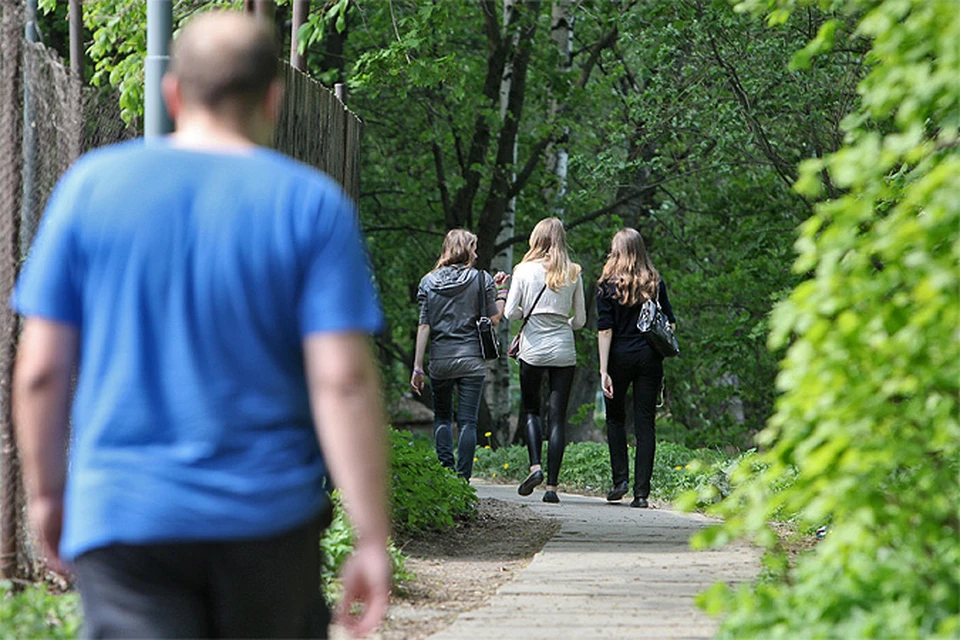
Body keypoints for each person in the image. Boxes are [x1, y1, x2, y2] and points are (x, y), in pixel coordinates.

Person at [12, 12, 390, 639]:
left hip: (127, 518)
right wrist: (372, 536)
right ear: (272, 96)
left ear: (172, 92)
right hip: (267, 522)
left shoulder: (91, 188)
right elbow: (344, 381)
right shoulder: (312, 205)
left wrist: (48, 495)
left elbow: (42, 370)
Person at [410, 229, 508, 481]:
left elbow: (424, 325)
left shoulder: (427, 282)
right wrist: (502, 293)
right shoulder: (481, 279)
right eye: (473, 248)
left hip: (440, 360)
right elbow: (494, 318)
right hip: (471, 360)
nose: (476, 253)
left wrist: (418, 367)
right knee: (468, 422)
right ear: (465, 250)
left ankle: (445, 476)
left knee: (442, 418)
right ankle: (463, 480)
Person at [504, 217, 586, 503]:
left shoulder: (523, 270)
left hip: (533, 349)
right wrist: (561, 320)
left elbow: (510, 313)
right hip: (564, 348)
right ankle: (552, 488)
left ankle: (535, 466)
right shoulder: (574, 271)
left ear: (536, 239)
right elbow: (580, 321)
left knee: (531, 411)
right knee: (557, 418)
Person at [596, 228, 677, 508]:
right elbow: (670, 323)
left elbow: (605, 330)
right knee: (645, 423)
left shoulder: (607, 286)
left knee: (615, 419)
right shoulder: (654, 282)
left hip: (618, 356)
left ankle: (620, 481)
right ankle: (641, 493)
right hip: (648, 357)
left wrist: (603, 370)